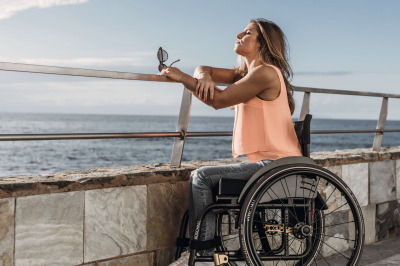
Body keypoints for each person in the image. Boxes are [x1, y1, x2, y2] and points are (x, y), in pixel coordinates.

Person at [158, 18, 302, 266]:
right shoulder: (246, 74)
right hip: (268, 164)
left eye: (247, 32)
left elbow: (218, 101)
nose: (238, 34)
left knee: (201, 177)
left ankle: (205, 255)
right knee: (207, 179)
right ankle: (215, 257)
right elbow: (205, 68)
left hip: (276, 166)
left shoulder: (265, 73)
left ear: (262, 43)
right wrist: (202, 76)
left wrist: (182, 77)